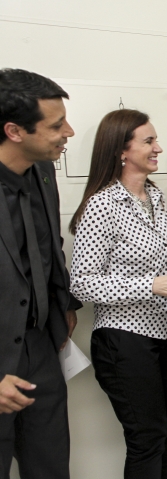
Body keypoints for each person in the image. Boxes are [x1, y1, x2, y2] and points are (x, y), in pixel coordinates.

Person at [70, 109, 167, 479]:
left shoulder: (154, 198)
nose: (159, 147)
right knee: (147, 437)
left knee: (165, 435)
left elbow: (163, 261)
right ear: (121, 150)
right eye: (149, 141)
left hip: (163, 334)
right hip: (123, 340)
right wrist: (151, 285)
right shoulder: (102, 204)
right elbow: (81, 282)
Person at [0, 69, 80, 479]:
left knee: (49, 467)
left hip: (42, 348)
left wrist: (61, 302)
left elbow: (50, 249)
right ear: (14, 130)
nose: (68, 131)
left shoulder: (44, 172)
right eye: (55, 125)